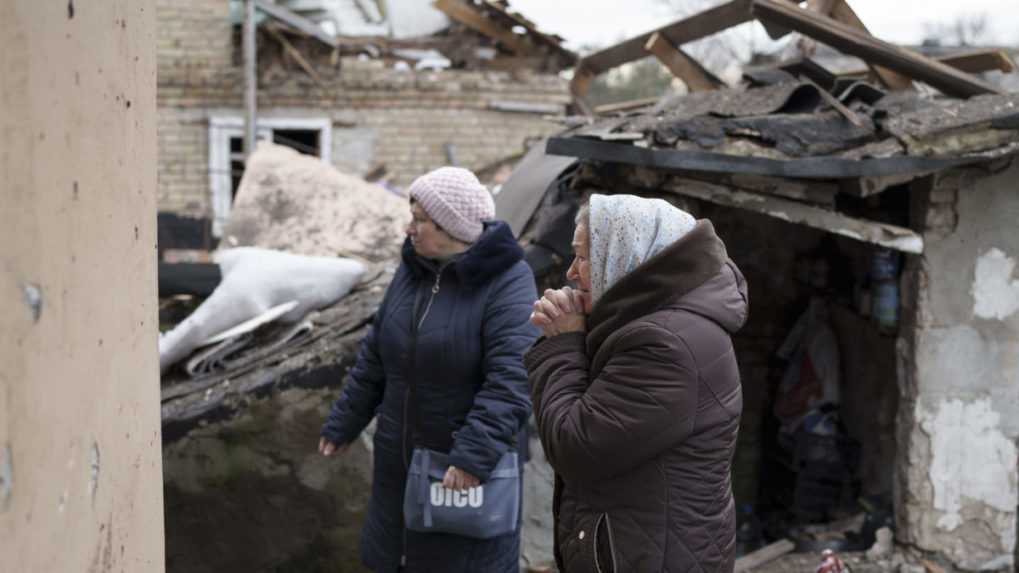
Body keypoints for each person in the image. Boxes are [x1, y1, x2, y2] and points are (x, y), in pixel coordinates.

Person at [319, 167, 538, 572]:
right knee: (393, 556)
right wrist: (345, 421)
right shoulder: (412, 272)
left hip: (458, 471)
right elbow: (376, 355)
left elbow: (513, 378)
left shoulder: (508, 281)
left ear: (453, 228)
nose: (409, 228)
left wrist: (472, 457)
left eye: (420, 220)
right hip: (397, 464)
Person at [525, 194, 748, 572]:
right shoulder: (650, 322)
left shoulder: (665, 343)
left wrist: (563, 344)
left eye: (583, 257)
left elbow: (575, 445)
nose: (571, 273)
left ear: (625, 255)